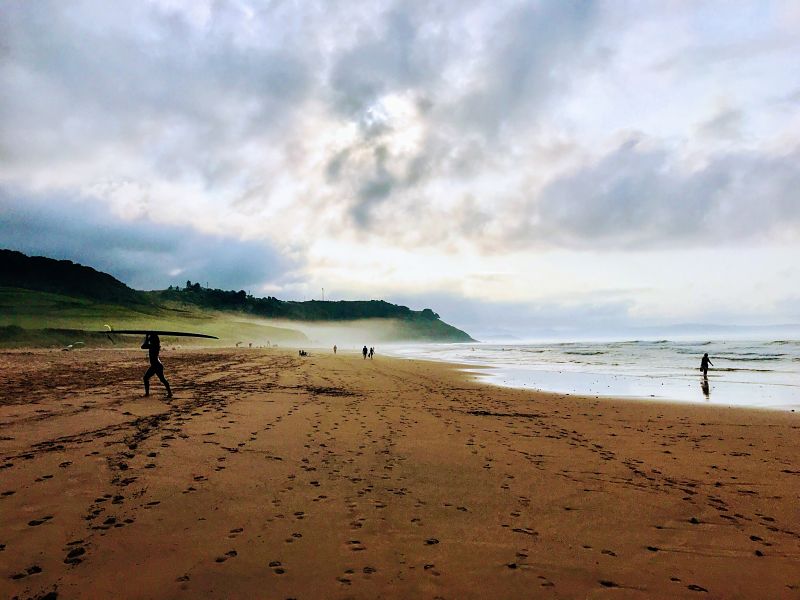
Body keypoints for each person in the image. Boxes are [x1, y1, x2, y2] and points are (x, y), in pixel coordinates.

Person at [142, 333, 172, 398]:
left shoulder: (154, 346)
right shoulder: (155, 345)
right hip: (156, 365)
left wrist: (147, 337)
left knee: (146, 378)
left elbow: (143, 346)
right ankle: (169, 393)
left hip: (156, 365)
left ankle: (147, 394)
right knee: (162, 379)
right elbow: (144, 346)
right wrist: (148, 337)